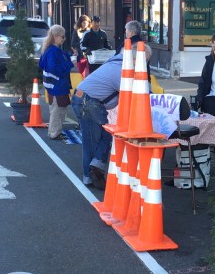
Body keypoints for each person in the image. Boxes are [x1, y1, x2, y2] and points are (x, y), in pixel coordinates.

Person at [72, 44, 153, 189]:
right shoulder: (123, 70)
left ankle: (94, 167)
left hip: (84, 99)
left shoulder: (116, 62)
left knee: (104, 135)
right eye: (145, 60)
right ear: (137, 59)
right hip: (89, 102)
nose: (146, 64)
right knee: (93, 140)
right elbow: (139, 93)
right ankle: (90, 174)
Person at [39, 25, 75, 141]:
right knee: (57, 110)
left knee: (57, 110)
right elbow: (55, 69)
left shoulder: (50, 50)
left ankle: (55, 132)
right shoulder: (53, 51)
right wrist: (70, 63)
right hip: (57, 85)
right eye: (62, 37)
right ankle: (54, 133)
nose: (64, 39)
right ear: (55, 36)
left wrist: (72, 58)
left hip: (53, 85)